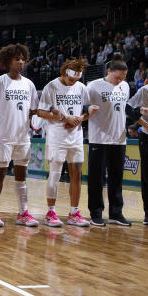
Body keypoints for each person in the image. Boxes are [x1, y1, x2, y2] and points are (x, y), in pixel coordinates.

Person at [35, 59, 98, 227]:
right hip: (57, 136)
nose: (73, 82)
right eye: (71, 79)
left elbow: (87, 110)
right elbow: (41, 112)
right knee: (55, 174)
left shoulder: (81, 88)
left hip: (76, 136)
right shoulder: (51, 86)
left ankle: (74, 212)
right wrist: (62, 117)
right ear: (64, 73)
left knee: (76, 174)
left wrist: (81, 118)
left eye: (76, 80)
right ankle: (50, 212)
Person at [0, 43, 39, 228]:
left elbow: (34, 110)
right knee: (0, 173)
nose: (21, 62)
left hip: (23, 136)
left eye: (23, 59)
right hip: (3, 136)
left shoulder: (29, 84)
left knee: (21, 176)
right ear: (7, 61)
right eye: (17, 59)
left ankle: (23, 212)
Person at [86, 54, 132, 226]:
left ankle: (115, 213)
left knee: (117, 178)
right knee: (97, 179)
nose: (120, 81)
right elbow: (83, 105)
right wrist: (87, 108)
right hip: (99, 138)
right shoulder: (93, 85)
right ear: (109, 71)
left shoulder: (125, 86)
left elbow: (123, 109)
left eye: (123, 78)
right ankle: (96, 213)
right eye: (117, 77)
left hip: (119, 139)